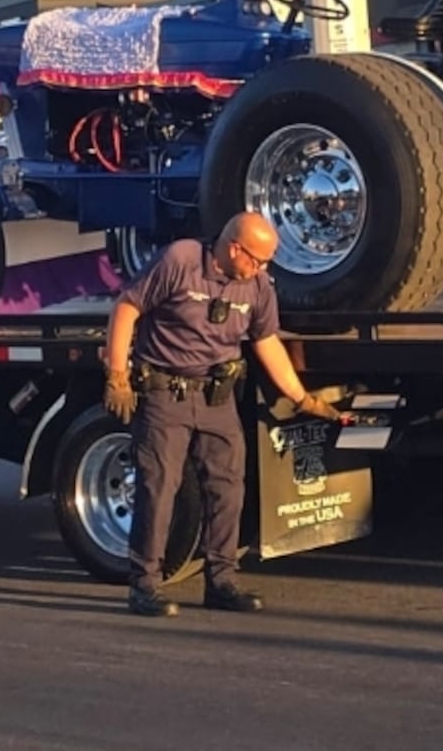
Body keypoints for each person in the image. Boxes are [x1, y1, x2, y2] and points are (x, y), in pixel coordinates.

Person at [104, 211, 341, 618]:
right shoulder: (181, 260)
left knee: (228, 488)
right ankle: (144, 586)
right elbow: (127, 308)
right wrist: (117, 375)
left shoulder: (258, 286)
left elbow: (266, 342)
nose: (262, 269)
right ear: (234, 248)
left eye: (267, 262)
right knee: (159, 489)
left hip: (217, 398)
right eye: (257, 259)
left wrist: (303, 399)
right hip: (166, 393)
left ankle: (222, 581)